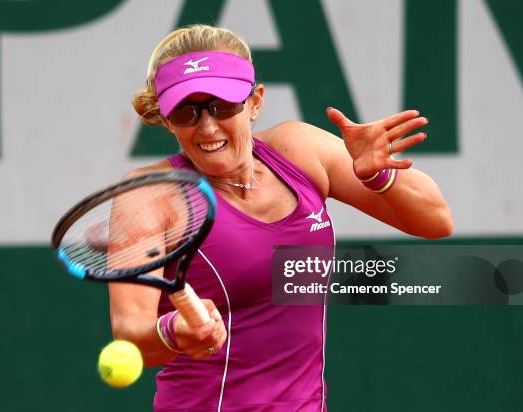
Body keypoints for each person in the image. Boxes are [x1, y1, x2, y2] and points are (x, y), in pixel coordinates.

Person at [108, 24, 453, 411]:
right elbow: (130, 331)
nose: (207, 127)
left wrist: (377, 174)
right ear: (168, 120)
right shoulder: (149, 195)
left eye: (222, 106)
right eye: (187, 112)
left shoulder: (298, 150)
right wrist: (175, 331)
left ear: (254, 102)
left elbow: (435, 221)